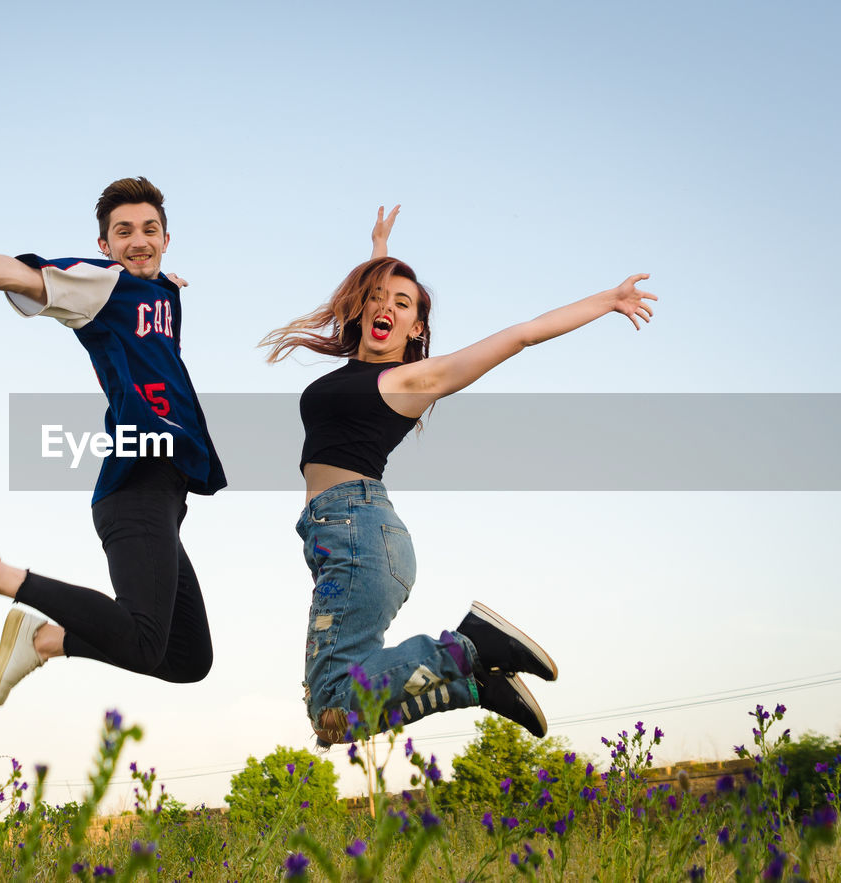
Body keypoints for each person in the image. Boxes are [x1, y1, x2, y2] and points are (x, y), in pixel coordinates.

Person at [261, 206, 657, 745]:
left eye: (403, 305)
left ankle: (473, 646)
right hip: (344, 538)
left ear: (417, 327)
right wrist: (378, 249)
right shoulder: (362, 360)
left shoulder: (414, 379)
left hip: (358, 532)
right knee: (335, 719)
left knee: (331, 700)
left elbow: (521, 336)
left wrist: (606, 301)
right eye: (377, 298)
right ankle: (474, 687)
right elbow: (375, 297)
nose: (386, 309)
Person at [0, 177, 225, 706]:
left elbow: (153, 317)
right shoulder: (103, 282)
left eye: (149, 230)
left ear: (167, 239)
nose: (138, 240)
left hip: (166, 495)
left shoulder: (158, 292)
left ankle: (45, 640)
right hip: (137, 484)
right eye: (123, 232)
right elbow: (22, 275)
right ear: (104, 246)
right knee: (144, 638)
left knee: (186, 658)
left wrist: (166, 285)